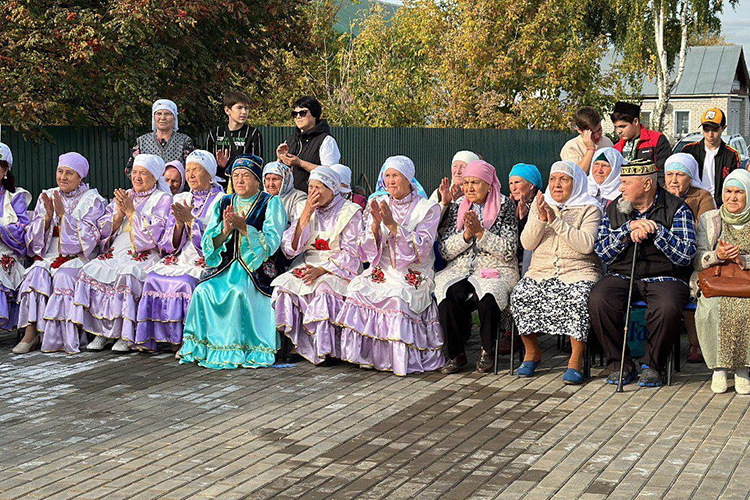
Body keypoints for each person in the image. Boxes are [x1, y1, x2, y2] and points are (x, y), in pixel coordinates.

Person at [589, 158, 697, 388]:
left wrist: (656, 231)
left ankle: (652, 365)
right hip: (623, 274)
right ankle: (620, 363)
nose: (620, 188)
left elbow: (686, 255)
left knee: (667, 306)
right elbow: (603, 252)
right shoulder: (614, 208)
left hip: (666, 276)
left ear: (647, 184)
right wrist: (627, 231)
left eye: (626, 183)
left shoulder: (677, 208)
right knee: (599, 299)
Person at [336, 156, 444, 375]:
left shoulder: (428, 208)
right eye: (387, 175)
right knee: (357, 288)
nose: (390, 181)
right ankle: (367, 356)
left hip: (412, 271)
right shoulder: (379, 203)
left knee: (397, 297)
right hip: (383, 269)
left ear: (408, 179)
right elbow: (365, 249)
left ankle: (397, 359)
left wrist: (393, 226)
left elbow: (422, 248)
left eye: (396, 176)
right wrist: (376, 224)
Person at [178, 155, 287, 369]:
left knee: (237, 293)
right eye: (236, 176)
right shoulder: (224, 202)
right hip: (225, 266)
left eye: (246, 176)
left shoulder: (270, 202)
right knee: (203, 290)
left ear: (258, 181)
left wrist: (245, 228)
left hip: (255, 269)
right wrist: (226, 230)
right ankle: (204, 347)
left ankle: (238, 348)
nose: (240, 180)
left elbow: (273, 241)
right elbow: (210, 243)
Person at [510, 161, 603, 384]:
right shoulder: (540, 204)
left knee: (579, 297)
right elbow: (527, 243)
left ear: (576, 182)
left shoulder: (590, 207)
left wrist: (556, 221)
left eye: (564, 179)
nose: (556, 184)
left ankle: (575, 360)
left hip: (579, 270)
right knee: (521, 293)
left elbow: (586, 245)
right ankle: (532, 352)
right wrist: (541, 220)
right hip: (541, 270)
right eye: (552, 179)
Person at [75, 154, 173, 353]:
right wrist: (119, 215)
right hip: (118, 249)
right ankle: (102, 332)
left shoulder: (162, 199)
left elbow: (156, 234)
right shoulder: (126, 194)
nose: (137, 177)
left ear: (154, 177)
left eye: (143, 173)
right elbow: (103, 228)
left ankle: (124, 334)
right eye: (135, 172)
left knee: (127, 273)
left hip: (145, 253)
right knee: (91, 269)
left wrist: (131, 213)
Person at [13, 153, 106, 355]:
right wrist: (47, 218)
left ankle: (61, 338)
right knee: (35, 273)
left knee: (64, 276)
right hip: (49, 254)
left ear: (80, 177)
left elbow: (90, 238)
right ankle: (31, 335)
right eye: (60, 171)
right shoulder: (48, 195)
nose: (63, 177)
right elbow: (32, 239)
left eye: (69, 173)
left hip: (78, 258)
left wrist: (65, 218)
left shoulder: (93, 200)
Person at [133, 150, 225, 353]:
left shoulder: (221, 199)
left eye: (197, 170)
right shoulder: (182, 197)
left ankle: (185, 340)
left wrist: (192, 222)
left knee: (185, 283)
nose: (191, 175)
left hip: (206, 256)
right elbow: (168, 243)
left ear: (209, 174)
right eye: (189, 170)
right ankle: (155, 338)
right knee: (153, 278)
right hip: (182, 253)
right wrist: (179, 225)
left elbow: (216, 240)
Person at [271, 167, 363, 364]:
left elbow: (352, 252)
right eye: (311, 187)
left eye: (318, 187)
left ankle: (326, 349)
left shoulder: (350, 211)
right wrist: (305, 215)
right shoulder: (307, 208)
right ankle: (296, 344)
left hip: (337, 267)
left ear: (331, 188)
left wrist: (322, 270)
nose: (313, 193)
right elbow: (291, 249)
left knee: (323, 290)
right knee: (284, 286)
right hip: (309, 261)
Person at [435, 160, 518, 374]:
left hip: (496, 268)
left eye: (476, 182)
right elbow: (444, 250)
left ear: (489, 184)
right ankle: (456, 354)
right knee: (447, 294)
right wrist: (466, 235)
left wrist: (482, 233)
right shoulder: (458, 206)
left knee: (489, 296)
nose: (469, 188)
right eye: (466, 182)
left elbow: (509, 250)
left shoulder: (505, 205)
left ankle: (488, 351)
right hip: (461, 269)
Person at [693, 170, 750, 394]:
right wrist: (717, 255)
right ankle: (719, 368)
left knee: (746, 309)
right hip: (717, 282)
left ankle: (743, 368)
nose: (732, 198)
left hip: (746, 282)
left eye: (739, 192)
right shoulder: (711, 219)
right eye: (728, 191)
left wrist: (742, 259)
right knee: (712, 308)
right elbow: (697, 257)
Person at [664, 153, 716, 364]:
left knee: (690, 288)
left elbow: (705, 229)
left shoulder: (702, 196)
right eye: (669, 174)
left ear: (690, 176)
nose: (673, 180)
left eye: (679, 174)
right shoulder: (659, 194)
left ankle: (696, 344)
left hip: (692, 257)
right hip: (665, 257)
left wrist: (677, 205)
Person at [497, 163, 543, 354]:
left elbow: (531, 241)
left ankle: (515, 334)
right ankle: (507, 332)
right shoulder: (507, 205)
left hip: (533, 261)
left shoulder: (542, 204)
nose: (513, 187)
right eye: (511, 183)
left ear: (531, 185)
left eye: (518, 182)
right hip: (510, 261)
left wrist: (523, 220)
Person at [276, 96, 340, 192]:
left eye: (302, 113)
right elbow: (280, 173)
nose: (298, 117)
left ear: (314, 114)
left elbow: (330, 174)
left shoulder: (326, 140)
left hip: (313, 198)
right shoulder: (290, 140)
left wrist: (300, 163)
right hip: (288, 197)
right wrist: (280, 159)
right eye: (294, 114)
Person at [0, 143, 31, 333]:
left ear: (5, 170)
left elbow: (24, 230)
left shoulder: (15, 197)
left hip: (8, 251)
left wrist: (1, 230)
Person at [680, 108, 740, 206]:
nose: (710, 134)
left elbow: (734, 184)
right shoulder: (689, 151)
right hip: (692, 203)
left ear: (723, 128)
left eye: (715, 130)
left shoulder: (731, 155)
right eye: (706, 129)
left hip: (720, 205)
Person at [205, 91, 263, 182]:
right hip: (219, 186)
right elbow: (206, 164)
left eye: (246, 108)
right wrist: (220, 166)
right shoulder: (215, 133)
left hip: (243, 186)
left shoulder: (253, 133)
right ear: (227, 110)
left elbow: (256, 164)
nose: (244, 112)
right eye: (239, 108)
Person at [126, 99, 194, 176]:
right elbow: (130, 169)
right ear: (153, 117)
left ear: (174, 118)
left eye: (167, 114)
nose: (162, 118)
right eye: (159, 113)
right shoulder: (141, 141)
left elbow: (191, 169)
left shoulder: (184, 141)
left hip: (175, 187)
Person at [611, 101, 672, 185]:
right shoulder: (616, 148)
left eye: (623, 126)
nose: (618, 131)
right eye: (616, 127)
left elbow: (664, 172)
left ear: (635, 121)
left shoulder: (656, 139)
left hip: (652, 193)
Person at [560, 106, 614, 173]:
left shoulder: (607, 143)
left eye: (599, 130)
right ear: (579, 130)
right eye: (592, 133)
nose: (597, 136)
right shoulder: (571, 147)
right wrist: (590, 149)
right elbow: (578, 175)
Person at [430, 151, 480, 216]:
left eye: (463, 167)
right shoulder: (439, 193)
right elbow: (428, 222)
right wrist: (444, 203)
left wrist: (461, 201)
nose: (458, 171)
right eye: (455, 166)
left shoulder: (479, 195)